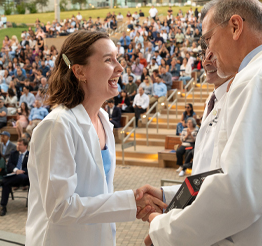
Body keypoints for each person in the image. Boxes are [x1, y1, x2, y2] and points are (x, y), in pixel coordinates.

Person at [141, 1, 262, 245]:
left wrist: (164, 229)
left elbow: (239, 191)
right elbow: (218, 175)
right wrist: (171, 196)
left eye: (209, 38)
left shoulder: (261, 76)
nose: (208, 51)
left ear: (236, 26)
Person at [25, 30, 166, 246]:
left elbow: (98, 195)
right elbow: (60, 209)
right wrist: (131, 203)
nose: (120, 68)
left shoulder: (103, 121)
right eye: (109, 60)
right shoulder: (57, 126)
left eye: (117, 59)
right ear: (80, 71)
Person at [0, 138, 30, 216]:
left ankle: (4, 181)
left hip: (25, 177)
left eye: (20, 144)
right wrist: (16, 170)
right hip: (14, 175)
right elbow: (9, 164)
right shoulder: (14, 153)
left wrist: (22, 171)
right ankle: (3, 206)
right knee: (6, 184)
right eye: (17, 144)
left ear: (25, 146)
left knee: (7, 180)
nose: (18, 146)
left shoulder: (30, 155)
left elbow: (32, 167)